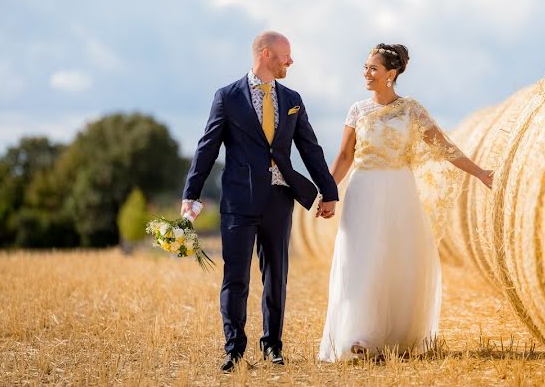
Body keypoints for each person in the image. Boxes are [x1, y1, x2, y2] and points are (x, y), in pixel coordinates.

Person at [318, 43, 493, 361]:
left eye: (373, 68)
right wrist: (328, 192)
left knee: (393, 261)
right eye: (365, 67)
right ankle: (359, 336)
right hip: (362, 190)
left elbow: (444, 146)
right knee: (359, 260)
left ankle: (396, 336)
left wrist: (479, 172)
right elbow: (344, 156)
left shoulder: (411, 109)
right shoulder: (357, 110)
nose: (366, 74)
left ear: (391, 74)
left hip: (399, 191)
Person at [181, 31, 339, 372]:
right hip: (239, 199)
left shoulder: (292, 98)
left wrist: (329, 191)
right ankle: (234, 349)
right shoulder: (227, 97)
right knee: (235, 277)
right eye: (286, 55)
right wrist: (190, 194)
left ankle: (273, 346)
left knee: (276, 275)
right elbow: (207, 147)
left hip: (280, 199)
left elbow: (309, 148)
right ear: (266, 54)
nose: (291, 61)